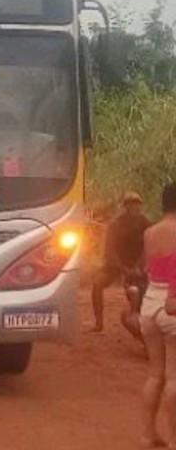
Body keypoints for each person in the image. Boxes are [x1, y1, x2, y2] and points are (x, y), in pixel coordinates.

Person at [138, 181, 176, 448]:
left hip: (150, 301)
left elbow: (146, 267)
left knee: (155, 374)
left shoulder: (150, 232)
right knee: (175, 377)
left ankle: (148, 433)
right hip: (172, 303)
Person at [92, 191, 152, 333]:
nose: (134, 207)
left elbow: (148, 247)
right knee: (97, 283)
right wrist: (123, 268)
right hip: (116, 265)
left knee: (141, 293)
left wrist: (139, 266)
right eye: (131, 204)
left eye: (137, 204)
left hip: (137, 265)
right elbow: (110, 251)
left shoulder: (146, 224)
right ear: (125, 206)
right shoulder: (115, 224)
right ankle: (99, 322)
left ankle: (142, 327)